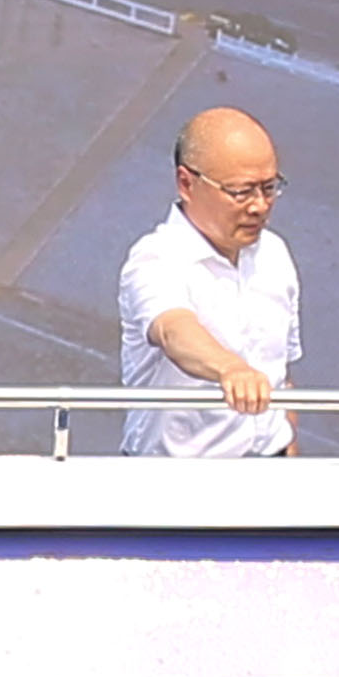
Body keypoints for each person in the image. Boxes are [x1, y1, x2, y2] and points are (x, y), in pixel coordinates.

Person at [118, 103, 300, 458]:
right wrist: (230, 369)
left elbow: (281, 374)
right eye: (241, 192)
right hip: (178, 476)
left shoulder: (275, 254)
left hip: (270, 465)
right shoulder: (155, 259)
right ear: (187, 183)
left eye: (269, 188)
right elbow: (173, 330)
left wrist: (289, 453)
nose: (259, 206)